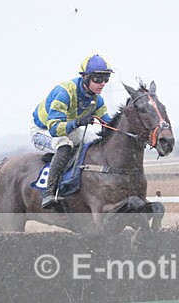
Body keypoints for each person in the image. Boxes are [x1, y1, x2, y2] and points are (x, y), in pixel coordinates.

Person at [31, 54, 115, 209]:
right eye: (98, 79)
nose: (102, 83)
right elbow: (55, 128)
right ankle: (49, 192)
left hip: (68, 129)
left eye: (106, 79)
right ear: (85, 77)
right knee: (65, 146)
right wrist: (77, 122)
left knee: (94, 144)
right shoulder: (65, 92)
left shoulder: (97, 99)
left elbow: (108, 124)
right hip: (44, 130)